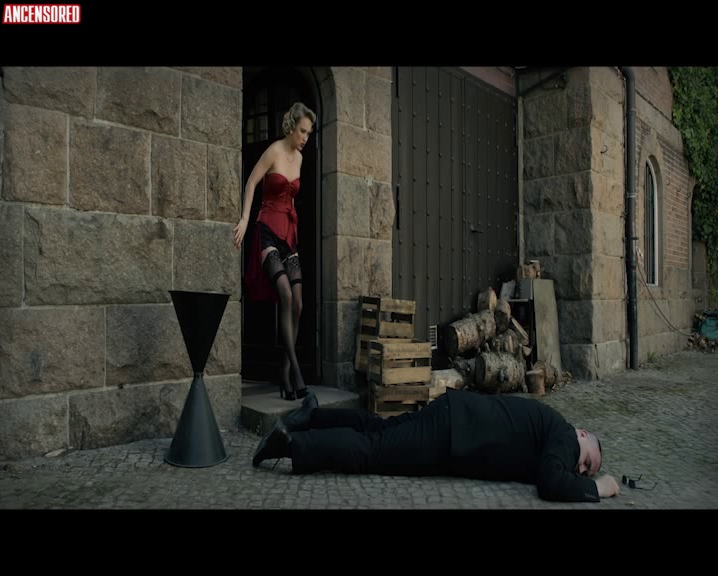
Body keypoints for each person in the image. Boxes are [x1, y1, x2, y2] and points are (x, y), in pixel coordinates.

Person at [252, 388, 622, 502]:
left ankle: (312, 415)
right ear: (583, 435)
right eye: (587, 462)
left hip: (454, 418)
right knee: (372, 451)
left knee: (380, 429)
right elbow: (551, 482)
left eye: (586, 472)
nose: (581, 469)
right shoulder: (565, 437)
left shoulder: (555, 432)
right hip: (451, 433)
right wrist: (598, 487)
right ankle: (290, 444)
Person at [233, 102, 316, 401]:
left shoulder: (300, 158)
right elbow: (252, 182)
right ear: (292, 127)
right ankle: (296, 371)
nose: (305, 137)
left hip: (288, 233)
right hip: (267, 228)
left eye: (309, 133)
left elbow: (291, 198)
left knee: (299, 303)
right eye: (302, 131)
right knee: (286, 295)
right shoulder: (273, 151)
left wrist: (293, 230)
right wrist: (245, 219)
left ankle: (284, 370)